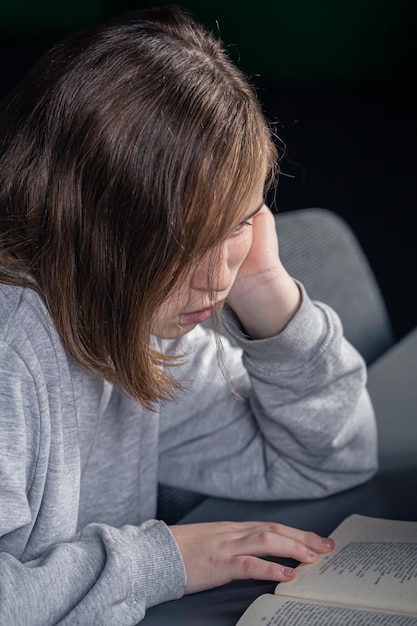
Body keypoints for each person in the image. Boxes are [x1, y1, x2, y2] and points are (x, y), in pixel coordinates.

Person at [0, 5, 377, 624]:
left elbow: (330, 459)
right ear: (89, 227)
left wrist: (266, 290)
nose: (216, 276)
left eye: (237, 222)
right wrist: (160, 559)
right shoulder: (16, 349)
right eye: (182, 239)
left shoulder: (148, 324)